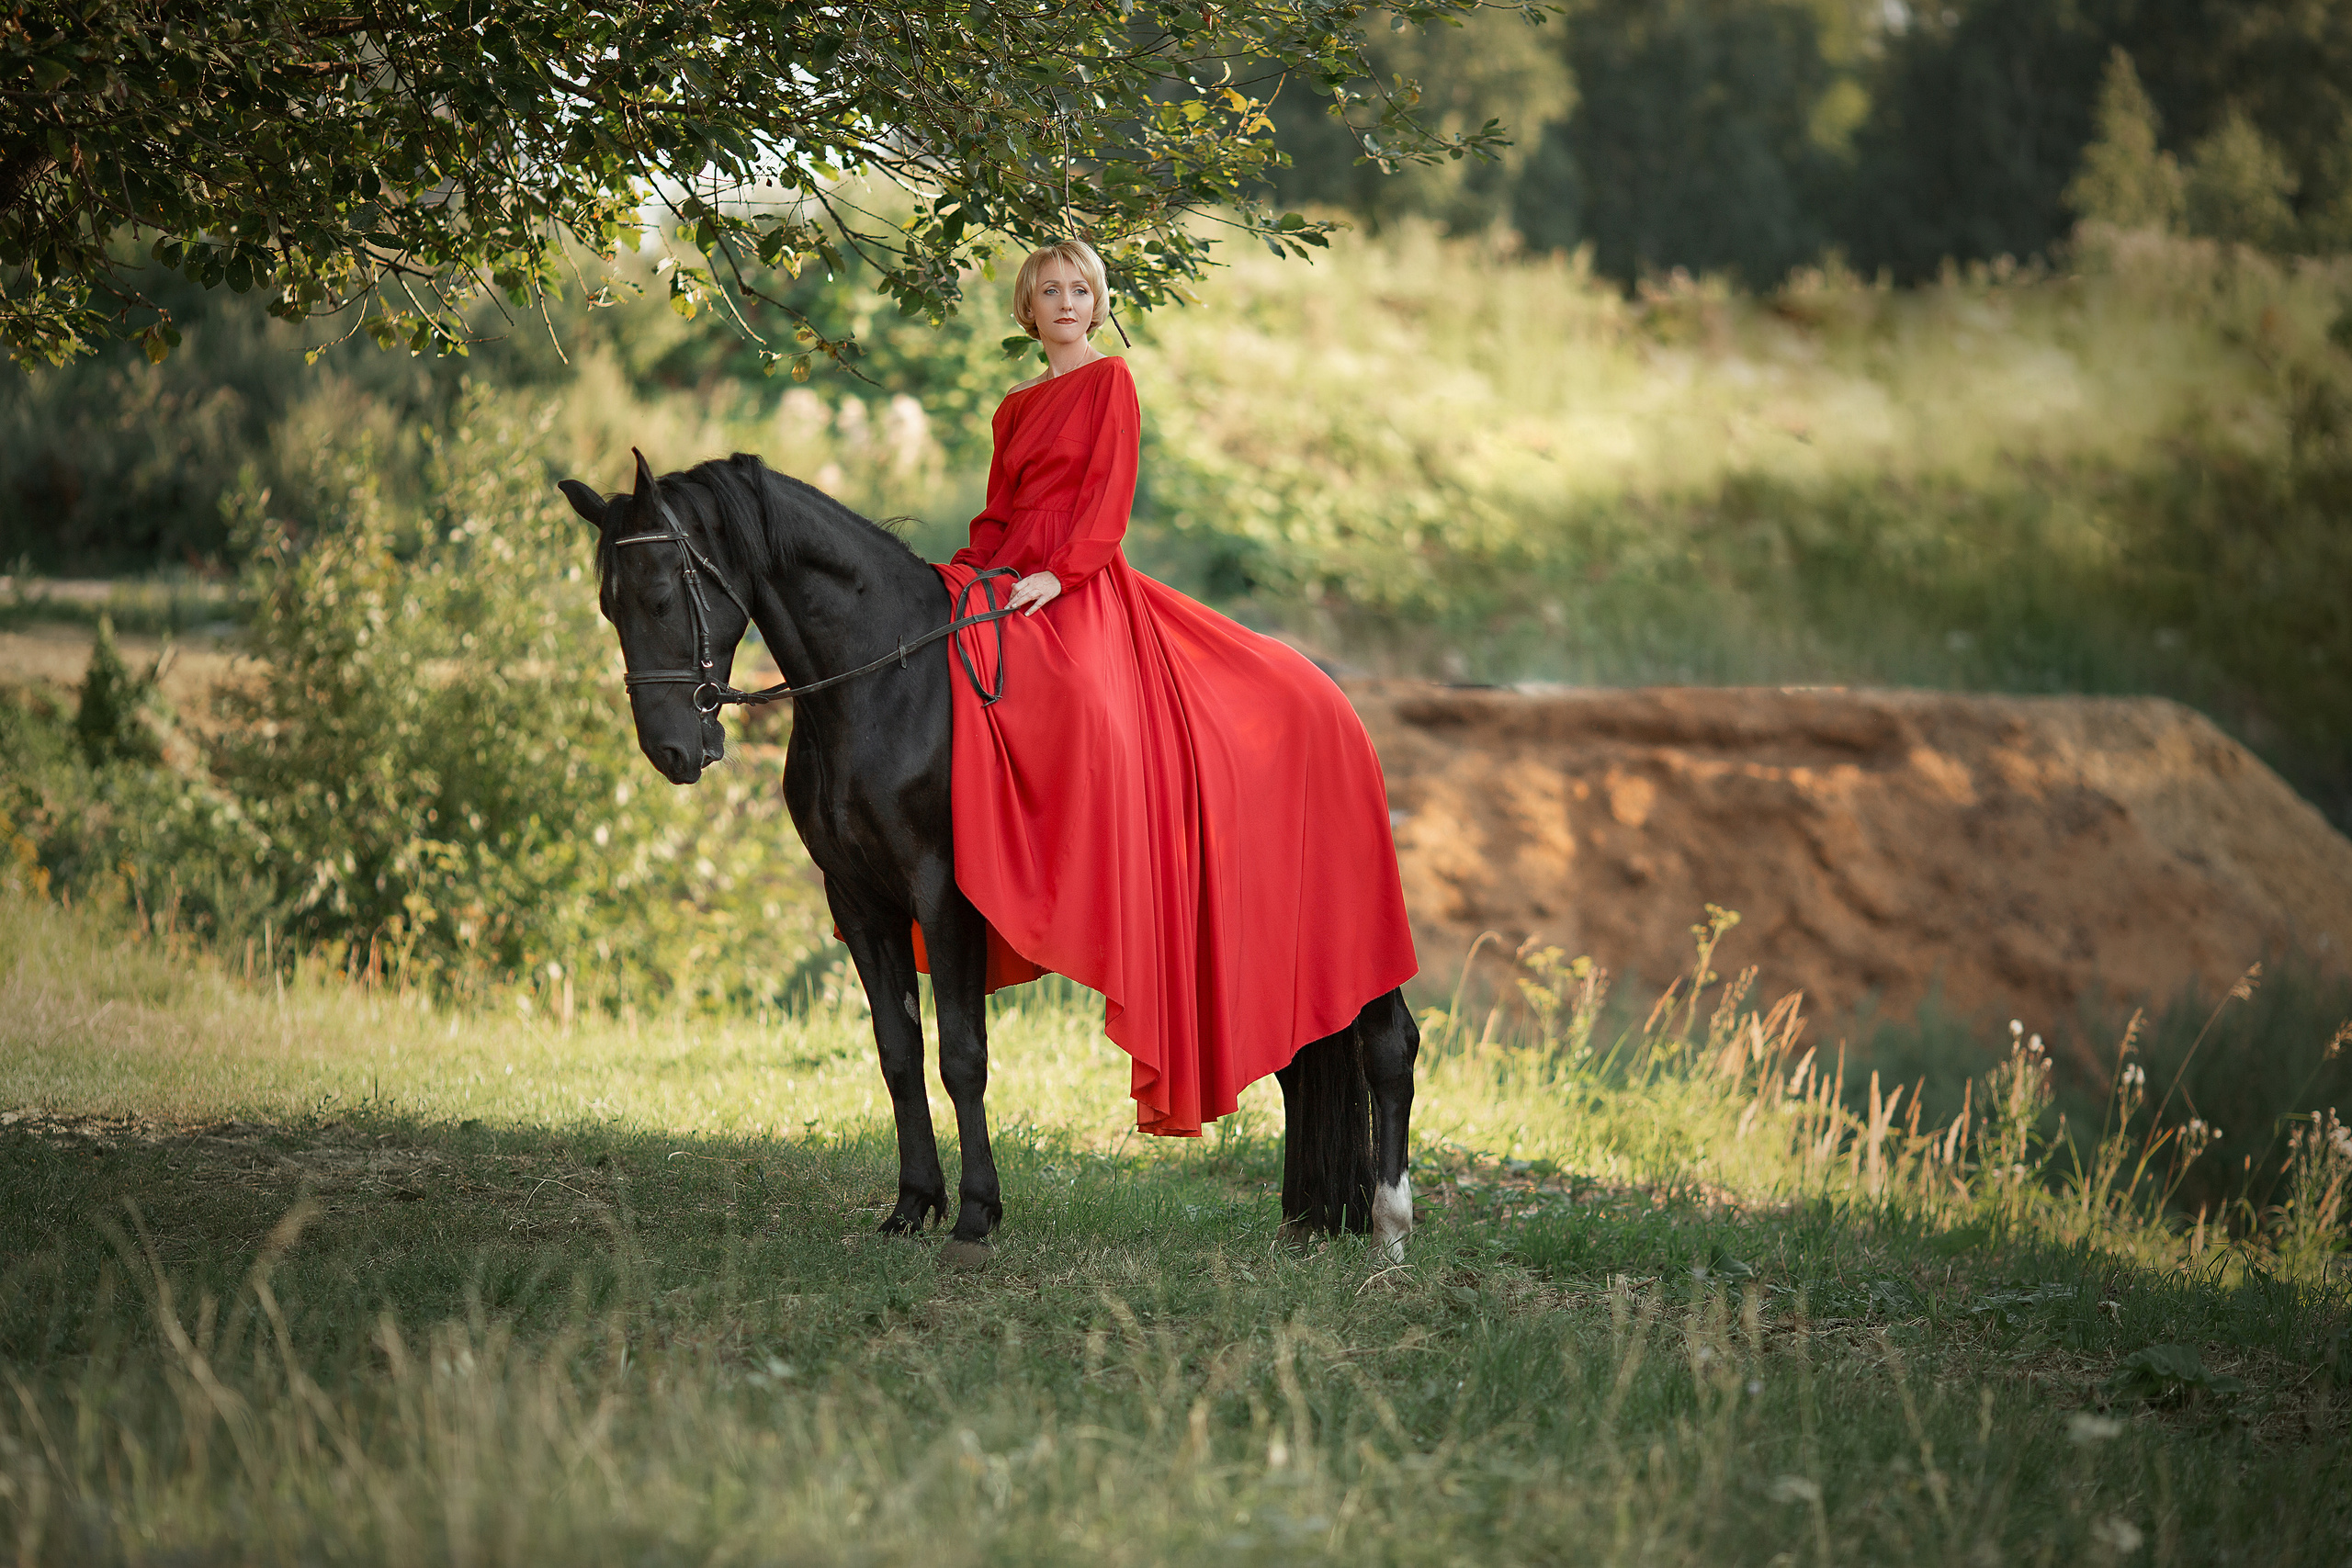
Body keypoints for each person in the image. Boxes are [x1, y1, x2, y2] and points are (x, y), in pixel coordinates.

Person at [933, 238, 1418, 1136]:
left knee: (1083, 704)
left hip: (1081, 581)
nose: (1068, 303)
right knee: (962, 677)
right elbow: (997, 514)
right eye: (1050, 291)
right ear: (1026, 311)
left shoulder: (1110, 383)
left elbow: (1106, 504)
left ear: (1096, 303)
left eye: (1081, 289)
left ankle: (1111, 862)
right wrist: (966, 575)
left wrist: (1061, 577)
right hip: (1013, 575)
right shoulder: (1012, 408)